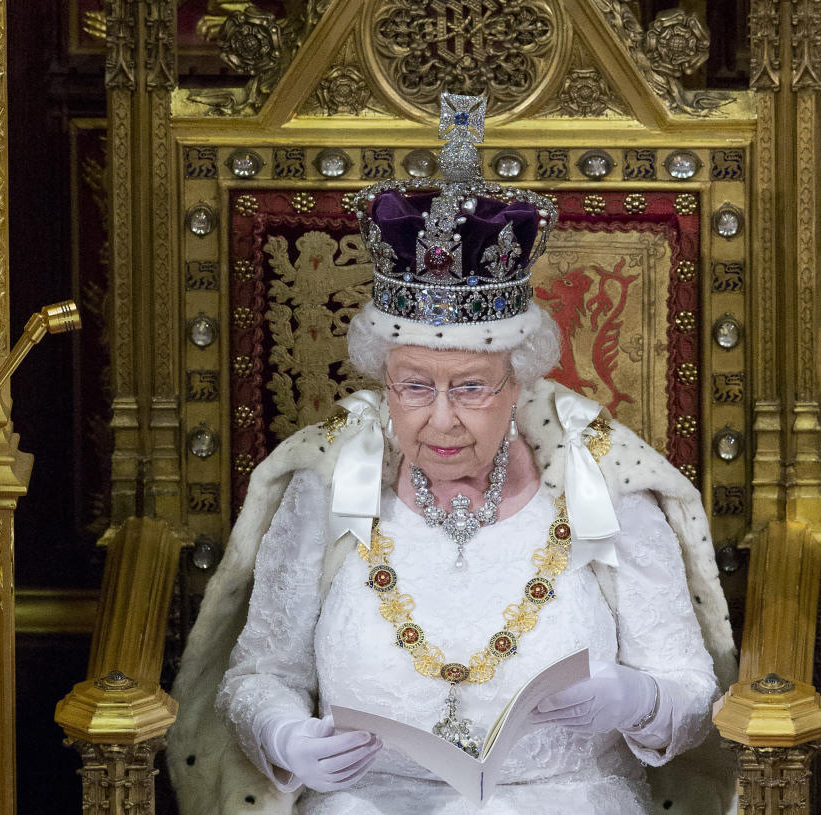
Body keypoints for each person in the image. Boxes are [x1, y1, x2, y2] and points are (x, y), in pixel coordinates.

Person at [168, 95, 735, 815]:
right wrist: (284, 736)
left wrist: (639, 698)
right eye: (413, 386)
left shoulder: (604, 489)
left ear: (517, 382)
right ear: (383, 379)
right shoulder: (324, 486)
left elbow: (691, 692)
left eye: (470, 387)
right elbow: (257, 673)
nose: (440, 418)